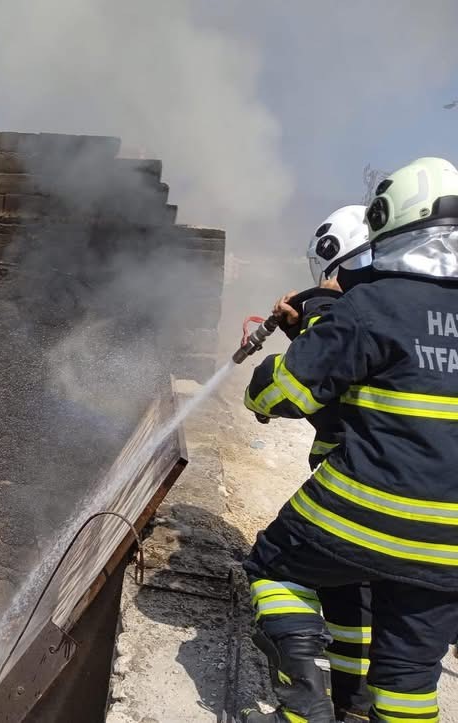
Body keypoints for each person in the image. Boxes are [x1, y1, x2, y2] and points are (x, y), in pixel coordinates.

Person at [240, 157, 458, 723]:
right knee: (409, 684)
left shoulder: (374, 304)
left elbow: (286, 395)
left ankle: (305, 703)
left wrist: (264, 378)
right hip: (451, 547)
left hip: (365, 508)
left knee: (274, 566)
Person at [264, 205, 374, 722]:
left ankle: (307, 709)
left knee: (272, 564)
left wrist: (317, 312)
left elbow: (299, 393)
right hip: (425, 503)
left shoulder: (354, 313)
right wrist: (300, 331)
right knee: (355, 597)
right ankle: (353, 706)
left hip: (355, 488)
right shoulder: (412, 313)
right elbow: (344, 377)